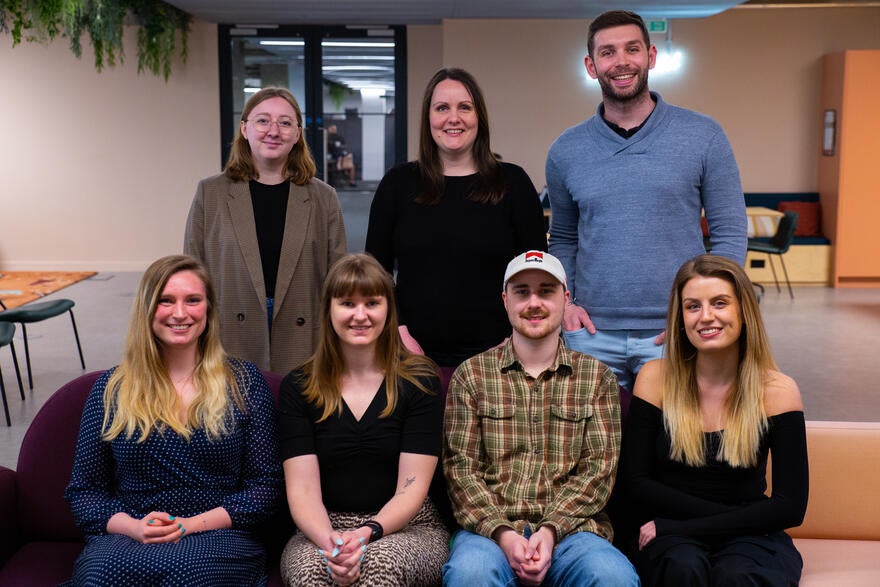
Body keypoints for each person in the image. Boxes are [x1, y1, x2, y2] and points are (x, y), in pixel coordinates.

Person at [546, 10, 747, 392]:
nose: (621, 61)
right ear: (591, 65)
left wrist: (703, 312)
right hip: (591, 335)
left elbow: (730, 232)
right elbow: (564, 239)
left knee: (677, 431)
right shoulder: (565, 151)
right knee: (598, 433)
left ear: (650, 56)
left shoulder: (704, 136)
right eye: (608, 52)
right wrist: (565, 306)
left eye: (632, 49)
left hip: (677, 330)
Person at [64, 255, 283, 586]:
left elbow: (265, 489)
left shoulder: (244, 383)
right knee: (102, 575)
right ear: (147, 309)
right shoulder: (112, 389)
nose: (180, 313)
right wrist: (133, 527)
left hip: (218, 534)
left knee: (186, 573)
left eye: (192, 300)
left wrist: (190, 525)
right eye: (166, 301)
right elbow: (84, 491)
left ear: (208, 309)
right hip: (131, 534)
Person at [442, 250, 639, 586]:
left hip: (573, 532)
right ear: (505, 300)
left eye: (546, 291)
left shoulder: (597, 378)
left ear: (565, 299)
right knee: (471, 573)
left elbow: (598, 472)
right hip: (490, 533)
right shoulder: (472, 375)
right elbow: (461, 471)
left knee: (611, 576)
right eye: (522, 292)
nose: (534, 303)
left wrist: (549, 532)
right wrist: (505, 535)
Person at [617, 255, 808, 586]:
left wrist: (690, 526)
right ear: (680, 318)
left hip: (746, 536)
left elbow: (791, 507)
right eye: (693, 306)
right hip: (672, 535)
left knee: (737, 576)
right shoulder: (655, 378)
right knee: (682, 567)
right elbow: (636, 483)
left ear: (744, 311)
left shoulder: (777, 390)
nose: (706, 316)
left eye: (719, 303)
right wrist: (686, 528)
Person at [277, 253, 449, 586]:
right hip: (320, 527)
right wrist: (332, 544)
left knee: (378, 567)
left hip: (409, 526)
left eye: (372, 303)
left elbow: (411, 489)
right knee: (312, 574)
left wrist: (366, 534)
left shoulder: (420, 381)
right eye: (347, 303)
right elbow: (303, 492)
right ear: (329, 309)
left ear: (388, 310)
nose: (360, 315)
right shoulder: (298, 386)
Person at [365, 67, 547, 379]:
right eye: (442, 108)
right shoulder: (397, 184)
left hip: (500, 357)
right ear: (428, 118)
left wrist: (516, 338)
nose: (453, 118)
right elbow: (375, 273)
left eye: (464, 107)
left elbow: (538, 273)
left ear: (479, 117)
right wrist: (399, 332)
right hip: (411, 357)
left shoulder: (513, 183)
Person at [185, 86, 347, 375]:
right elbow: (191, 273)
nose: (274, 131)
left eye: (285, 122)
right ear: (244, 128)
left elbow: (338, 277)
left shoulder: (324, 197)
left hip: (303, 332)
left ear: (297, 134)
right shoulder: (210, 193)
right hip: (231, 331)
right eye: (263, 121)